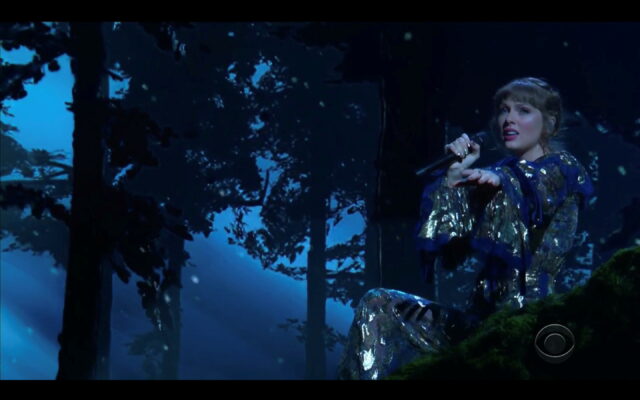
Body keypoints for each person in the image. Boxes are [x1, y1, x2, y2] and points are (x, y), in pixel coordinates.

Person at [337, 77, 595, 380]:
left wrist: (500, 182)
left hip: (529, 319)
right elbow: (452, 247)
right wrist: (455, 174)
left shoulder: (563, 167)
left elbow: (535, 186)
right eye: (503, 110)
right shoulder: (495, 174)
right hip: (479, 322)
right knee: (379, 303)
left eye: (523, 110)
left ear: (550, 122)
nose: (508, 119)